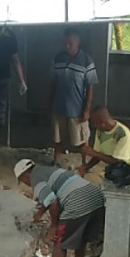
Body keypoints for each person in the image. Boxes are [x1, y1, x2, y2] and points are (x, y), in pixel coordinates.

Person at [15, 159, 106, 257]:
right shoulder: (48, 170)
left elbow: (53, 202)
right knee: (82, 236)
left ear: (25, 176)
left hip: (77, 202)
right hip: (96, 199)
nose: (26, 184)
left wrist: (54, 227)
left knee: (59, 241)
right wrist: (40, 213)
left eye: (22, 181)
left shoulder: (35, 179)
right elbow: (53, 194)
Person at [50, 28, 99, 166]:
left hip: (77, 107)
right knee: (57, 135)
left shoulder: (86, 60)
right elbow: (53, 82)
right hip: (59, 105)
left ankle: (84, 162)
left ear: (78, 42)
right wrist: (49, 102)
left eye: (70, 43)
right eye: (65, 43)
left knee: (82, 137)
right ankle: (57, 159)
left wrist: (87, 109)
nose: (67, 46)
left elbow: (90, 87)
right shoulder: (57, 58)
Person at [79, 106, 130, 180]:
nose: (94, 125)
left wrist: (94, 153)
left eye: (95, 123)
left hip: (128, 167)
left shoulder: (122, 134)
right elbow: (98, 154)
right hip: (114, 165)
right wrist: (87, 166)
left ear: (102, 122)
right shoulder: (100, 130)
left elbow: (118, 162)